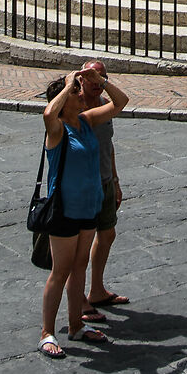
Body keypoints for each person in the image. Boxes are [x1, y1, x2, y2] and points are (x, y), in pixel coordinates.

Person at [34, 66, 120, 357]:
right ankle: (46, 333)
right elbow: (48, 113)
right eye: (75, 92)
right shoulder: (58, 130)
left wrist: (101, 81)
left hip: (89, 206)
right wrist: (69, 81)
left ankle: (75, 325)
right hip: (64, 210)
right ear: (63, 99)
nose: (81, 94)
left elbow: (120, 103)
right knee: (60, 271)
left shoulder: (86, 120)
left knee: (80, 266)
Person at [79, 62, 132, 313]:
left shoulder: (103, 104)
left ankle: (97, 290)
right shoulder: (75, 109)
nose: (97, 83)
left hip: (105, 180)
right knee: (80, 245)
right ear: (81, 80)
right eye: (92, 78)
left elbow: (108, 145)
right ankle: (78, 300)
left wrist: (116, 180)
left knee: (107, 234)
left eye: (101, 78)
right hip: (84, 186)